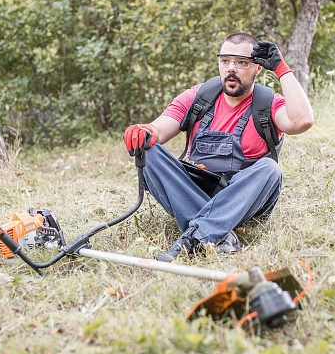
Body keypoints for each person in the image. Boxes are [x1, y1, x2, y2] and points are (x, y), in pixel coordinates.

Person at [123, 32, 314, 262]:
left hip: (242, 199)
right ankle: (220, 235)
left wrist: (282, 69)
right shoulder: (198, 97)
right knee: (150, 151)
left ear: (257, 68)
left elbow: (302, 121)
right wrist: (145, 132)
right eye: (225, 61)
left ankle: (194, 238)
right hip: (193, 192)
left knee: (270, 170)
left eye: (241, 62)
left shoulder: (268, 104)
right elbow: (159, 129)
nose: (231, 69)